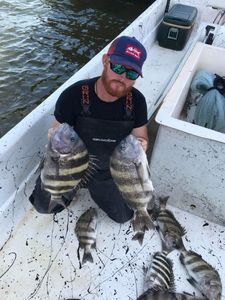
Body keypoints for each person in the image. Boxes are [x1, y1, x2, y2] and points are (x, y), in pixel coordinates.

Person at [33, 35, 149, 223]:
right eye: (118, 67)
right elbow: (57, 129)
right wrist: (53, 135)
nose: (122, 77)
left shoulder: (137, 101)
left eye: (132, 73)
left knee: (124, 216)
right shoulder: (73, 94)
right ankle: (59, 181)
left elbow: (141, 136)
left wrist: (142, 145)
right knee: (43, 206)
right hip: (71, 164)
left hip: (108, 169)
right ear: (105, 61)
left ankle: (97, 189)